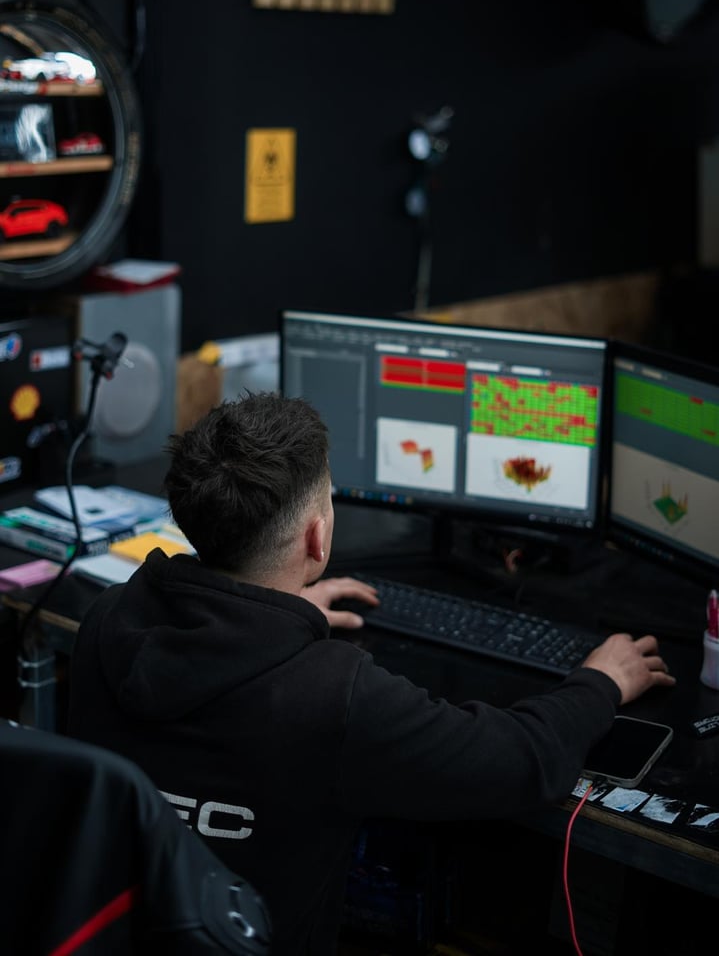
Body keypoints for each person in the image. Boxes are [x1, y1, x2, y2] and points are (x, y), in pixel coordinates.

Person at [66, 392, 676, 956]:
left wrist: (280, 610)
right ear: (318, 537)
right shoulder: (334, 694)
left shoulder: (107, 621)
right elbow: (523, 761)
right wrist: (601, 681)